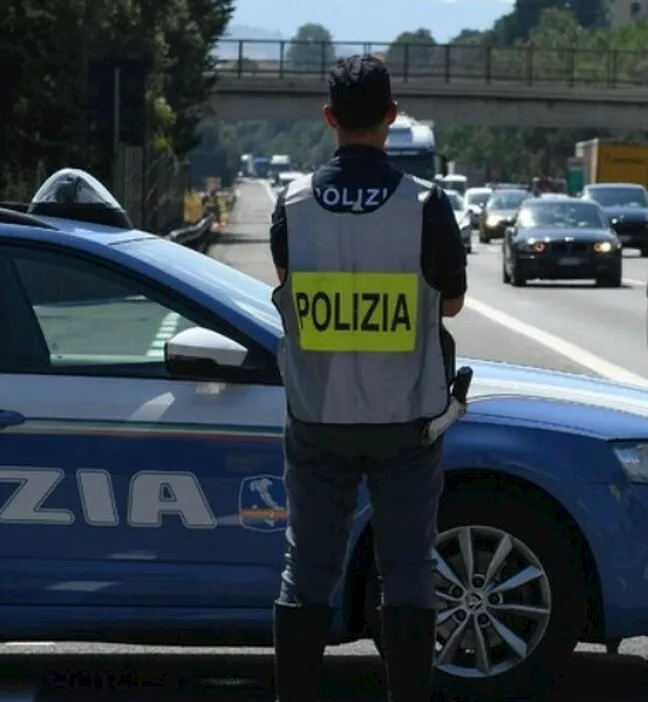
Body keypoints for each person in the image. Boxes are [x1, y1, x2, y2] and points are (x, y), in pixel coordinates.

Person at [268, 54, 467, 702]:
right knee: (408, 570)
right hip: (405, 421)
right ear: (392, 117)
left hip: (318, 415)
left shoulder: (291, 208)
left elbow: (289, 291)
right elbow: (454, 301)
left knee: (308, 573)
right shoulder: (427, 206)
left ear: (329, 118)